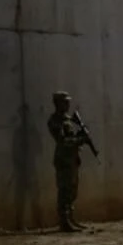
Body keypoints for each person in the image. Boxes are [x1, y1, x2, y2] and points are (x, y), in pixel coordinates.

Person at [47, 92, 90, 231]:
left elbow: (71, 137)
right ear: (57, 103)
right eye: (64, 102)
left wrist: (82, 135)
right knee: (64, 190)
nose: (67, 105)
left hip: (72, 158)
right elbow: (63, 141)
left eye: (67, 102)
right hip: (63, 160)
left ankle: (70, 218)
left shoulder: (68, 119)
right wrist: (80, 140)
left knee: (72, 190)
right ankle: (64, 221)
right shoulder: (55, 121)